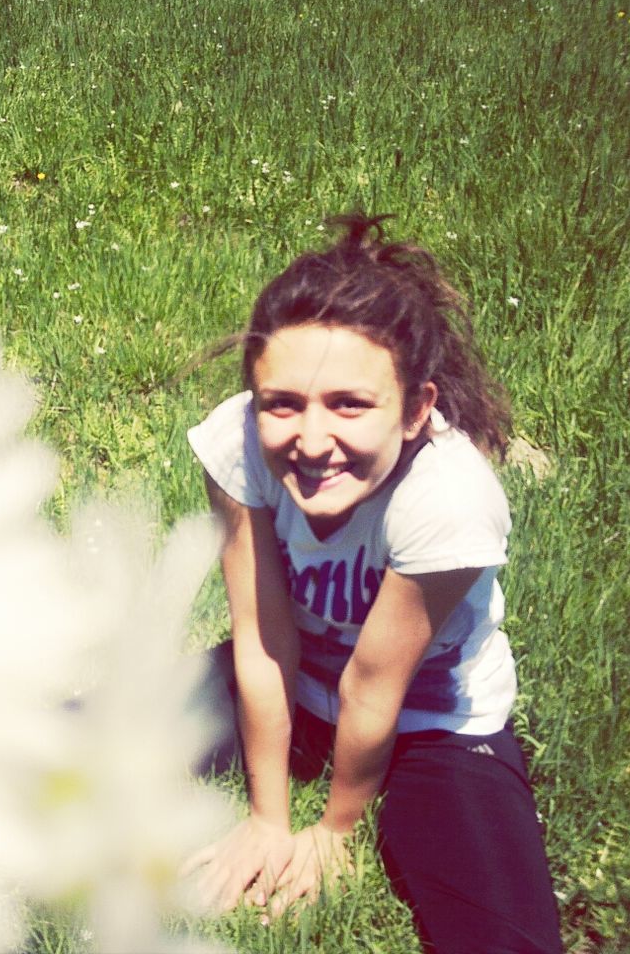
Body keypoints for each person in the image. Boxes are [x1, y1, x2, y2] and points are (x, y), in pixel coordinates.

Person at [181, 213, 562, 953]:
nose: (312, 441)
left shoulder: (449, 499)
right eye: (282, 403)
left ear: (418, 409)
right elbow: (262, 637)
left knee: (502, 936)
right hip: (286, 687)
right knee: (51, 745)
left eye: (350, 405)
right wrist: (268, 820)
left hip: (433, 723)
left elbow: (374, 687)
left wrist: (333, 830)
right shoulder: (237, 446)